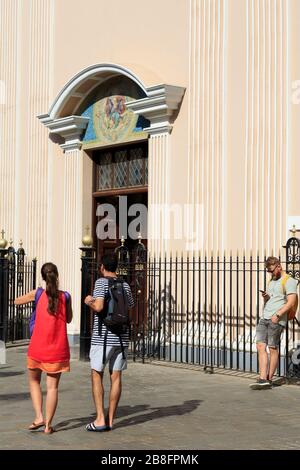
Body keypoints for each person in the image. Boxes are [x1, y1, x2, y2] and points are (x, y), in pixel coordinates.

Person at [15, 262, 72, 433]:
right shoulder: (66, 296)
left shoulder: (38, 294)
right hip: (58, 349)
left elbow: (17, 301)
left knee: (34, 381)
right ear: (57, 276)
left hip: (38, 347)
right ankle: (48, 426)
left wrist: (34, 300)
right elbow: (68, 319)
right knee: (52, 387)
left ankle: (39, 416)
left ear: (43, 277)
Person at [84, 253, 134, 432]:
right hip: (121, 337)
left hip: (102, 337)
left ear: (102, 267)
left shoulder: (100, 283)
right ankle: (111, 419)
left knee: (97, 374)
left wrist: (88, 301)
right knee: (116, 377)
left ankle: (99, 419)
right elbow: (130, 305)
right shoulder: (125, 285)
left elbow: (98, 307)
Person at [249, 256, 298, 390]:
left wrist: (278, 314)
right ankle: (262, 378)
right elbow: (273, 299)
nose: (270, 274)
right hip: (264, 317)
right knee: (260, 346)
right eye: (269, 272)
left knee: (272, 347)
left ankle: (268, 379)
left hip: (276, 319)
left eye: (272, 271)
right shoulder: (272, 280)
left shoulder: (289, 281)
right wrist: (266, 297)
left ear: (279, 266)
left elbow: (291, 302)